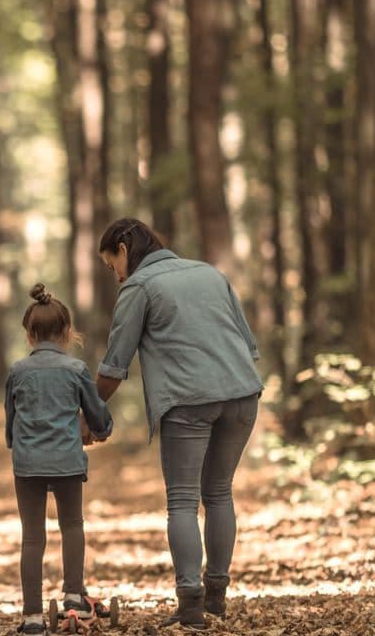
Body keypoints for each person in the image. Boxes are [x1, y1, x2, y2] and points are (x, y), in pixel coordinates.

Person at [91, 218, 262, 631]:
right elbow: (249, 346)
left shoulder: (139, 286)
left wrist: (90, 417)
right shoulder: (209, 273)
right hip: (242, 394)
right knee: (219, 492)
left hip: (188, 402)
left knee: (183, 501)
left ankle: (190, 608)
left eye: (110, 262)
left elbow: (115, 366)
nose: (113, 272)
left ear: (123, 248)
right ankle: (216, 598)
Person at [5, 283, 114, 636]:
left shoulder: (17, 371)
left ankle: (33, 616)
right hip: (67, 460)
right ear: (67, 331)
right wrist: (99, 430)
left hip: (28, 464)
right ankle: (72, 595)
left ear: (29, 333)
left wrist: (17, 444)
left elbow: (11, 424)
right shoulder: (76, 369)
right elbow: (98, 416)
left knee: (32, 537)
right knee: (72, 525)